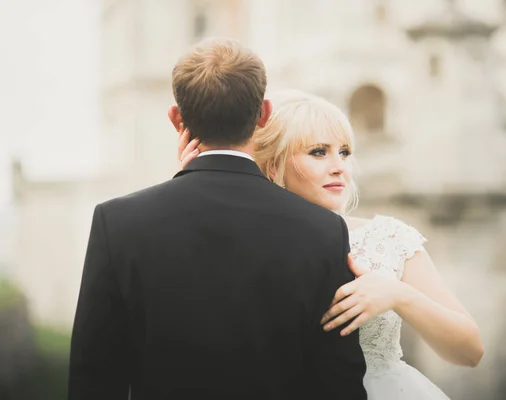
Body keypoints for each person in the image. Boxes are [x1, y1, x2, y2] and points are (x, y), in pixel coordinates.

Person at [68, 39, 367, 400]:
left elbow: (94, 376)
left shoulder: (117, 222)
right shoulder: (323, 229)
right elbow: (340, 381)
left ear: (177, 118)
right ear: (263, 115)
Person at [178, 89, 485, 399]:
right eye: (318, 152)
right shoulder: (237, 240)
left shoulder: (388, 237)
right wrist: (192, 184)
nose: (340, 166)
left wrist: (397, 295)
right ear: (273, 164)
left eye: (345, 152)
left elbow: (470, 351)